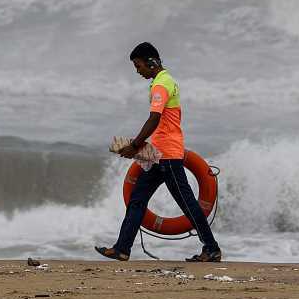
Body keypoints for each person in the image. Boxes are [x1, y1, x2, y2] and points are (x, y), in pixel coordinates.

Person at [96, 42, 223, 262]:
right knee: (137, 199)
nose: (137, 71)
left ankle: (211, 248)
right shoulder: (165, 81)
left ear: (152, 62)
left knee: (187, 203)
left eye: (138, 65)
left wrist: (134, 145)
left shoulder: (161, 85)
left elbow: (154, 118)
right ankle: (122, 249)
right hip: (158, 155)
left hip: (168, 156)